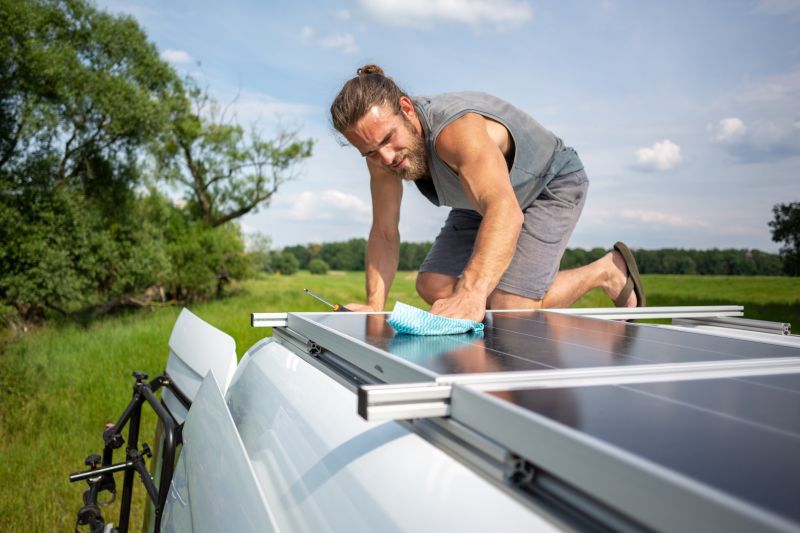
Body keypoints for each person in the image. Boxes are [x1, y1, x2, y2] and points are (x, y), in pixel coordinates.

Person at [330, 64, 645, 322]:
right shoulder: (380, 155)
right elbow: (384, 232)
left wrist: (472, 293)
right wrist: (374, 305)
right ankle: (501, 304)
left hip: (548, 183)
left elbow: (504, 210)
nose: (386, 158)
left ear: (406, 108)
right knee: (432, 284)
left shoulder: (455, 130)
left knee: (510, 305)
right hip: (479, 197)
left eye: (388, 139)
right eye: (370, 152)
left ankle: (606, 271)